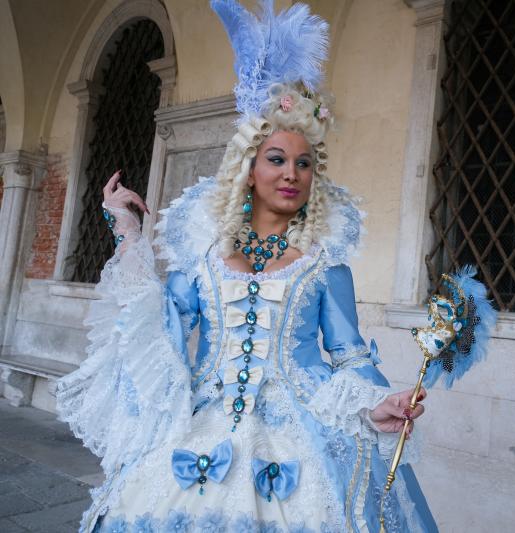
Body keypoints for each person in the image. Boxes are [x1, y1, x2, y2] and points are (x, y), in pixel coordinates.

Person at [56, 1, 438, 531]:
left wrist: (377, 406)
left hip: (302, 439)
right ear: (249, 169)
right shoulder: (204, 258)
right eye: (277, 159)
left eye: (304, 163)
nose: (292, 174)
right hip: (201, 431)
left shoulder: (325, 268)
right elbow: (158, 324)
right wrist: (127, 230)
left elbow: (347, 359)